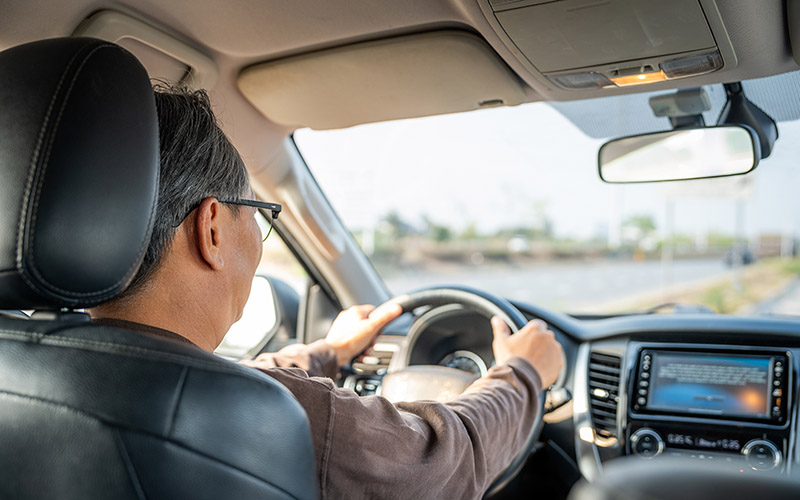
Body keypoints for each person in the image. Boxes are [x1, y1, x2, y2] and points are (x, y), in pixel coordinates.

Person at [89, 85, 564, 500]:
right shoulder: (285, 415)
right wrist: (523, 374)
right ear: (211, 229)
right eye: (255, 212)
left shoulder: (52, 366)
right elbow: (445, 463)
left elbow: (244, 374)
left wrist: (330, 352)